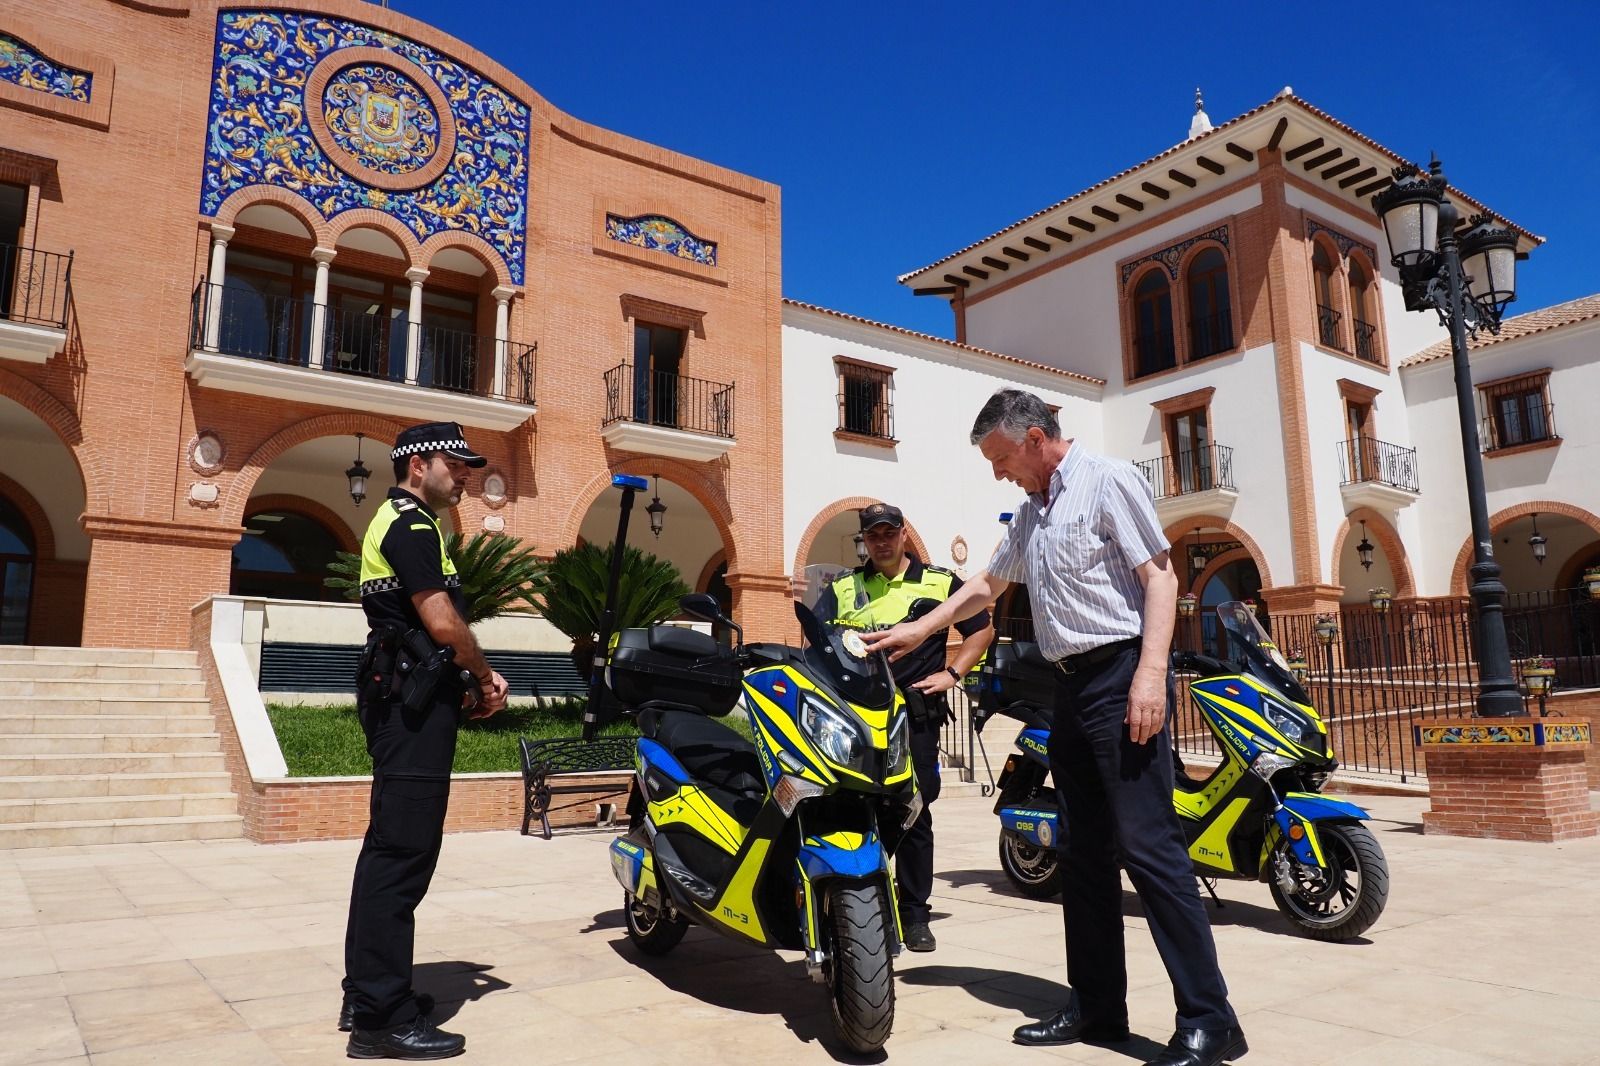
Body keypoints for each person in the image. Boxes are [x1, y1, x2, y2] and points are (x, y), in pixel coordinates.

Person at [862, 390, 1246, 1066]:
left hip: (1122, 674)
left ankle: (1211, 1021)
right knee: (1082, 853)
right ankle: (1098, 1007)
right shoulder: (1035, 512)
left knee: (1151, 851)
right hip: (1069, 688)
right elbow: (989, 583)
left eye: (1002, 457)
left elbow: (1161, 577)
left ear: (1036, 438)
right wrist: (920, 627)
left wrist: (1150, 675)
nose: (997, 471)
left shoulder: (1107, 481)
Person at [340, 421, 510, 1061]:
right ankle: (380, 1020)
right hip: (409, 711)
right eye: (455, 463)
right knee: (402, 855)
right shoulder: (411, 524)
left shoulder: (410, 523)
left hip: (404, 702)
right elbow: (442, 621)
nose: (464, 473)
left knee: (387, 850)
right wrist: (485, 675)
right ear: (417, 466)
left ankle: (369, 994)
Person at [812, 502, 992, 953]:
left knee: (916, 807)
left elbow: (981, 630)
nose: (882, 540)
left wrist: (953, 674)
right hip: (854, 716)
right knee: (847, 802)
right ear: (865, 540)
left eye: (890, 532)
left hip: (915, 714)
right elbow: (815, 642)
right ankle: (857, 894)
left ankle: (914, 914)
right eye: (874, 534)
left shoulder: (940, 582)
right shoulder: (843, 587)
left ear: (903, 535)